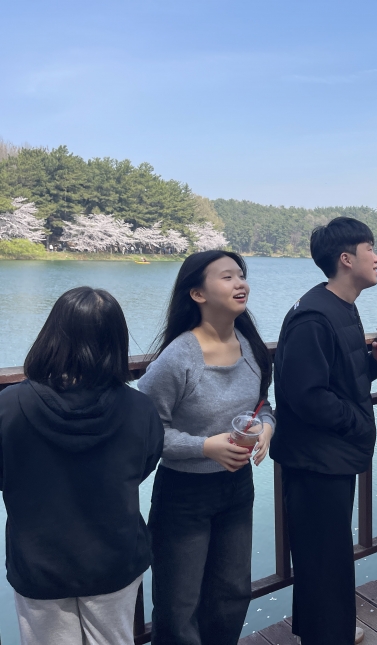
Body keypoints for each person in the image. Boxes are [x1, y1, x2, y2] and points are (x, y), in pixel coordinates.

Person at [0, 287, 163, 645]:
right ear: (116, 341)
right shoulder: (140, 409)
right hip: (115, 557)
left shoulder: (8, 407)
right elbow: (143, 466)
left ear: (50, 335)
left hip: (38, 561)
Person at [270, 217, 377, 645]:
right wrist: (356, 422)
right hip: (315, 460)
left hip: (331, 455)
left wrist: (376, 360)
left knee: (326, 556)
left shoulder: (342, 306)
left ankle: (325, 630)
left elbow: (343, 377)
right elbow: (306, 395)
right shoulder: (313, 316)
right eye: (370, 249)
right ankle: (329, 633)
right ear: (346, 259)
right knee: (325, 560)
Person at [139, 251, 275, 645]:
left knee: (232, 594)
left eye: (241, 275)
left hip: (237, 488)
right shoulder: (178, 357)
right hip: (184, 494)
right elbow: (147, 430)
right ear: (197, 294)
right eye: (227, 277)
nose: (240, 283)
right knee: (178, 607)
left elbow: (262, 405)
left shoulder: (250, 345)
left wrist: (267, 428)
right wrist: (204, 447)